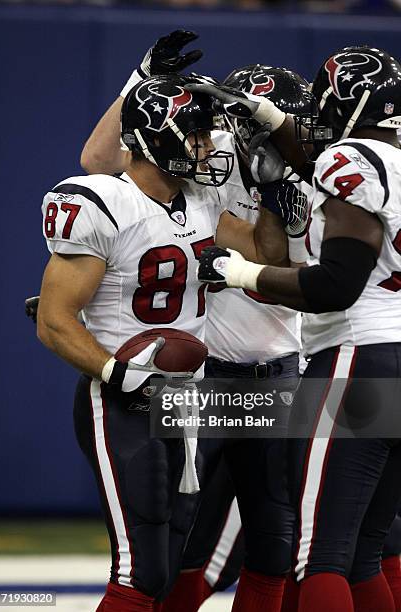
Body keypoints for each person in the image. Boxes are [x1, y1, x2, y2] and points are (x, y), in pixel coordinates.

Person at [37, 72, 285, 612]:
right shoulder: (102, 201)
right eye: (195, 136)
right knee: (141, 570)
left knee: (167, 568)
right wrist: (114, 370)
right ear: (159, 139)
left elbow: (267, 255)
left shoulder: (197, 203)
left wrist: (270, 192)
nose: (205, 148)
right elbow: (55, 321)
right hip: (123, 399)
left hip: (186, 399)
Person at [193, 45, 401, 612]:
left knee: (320, 557)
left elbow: (336, 285)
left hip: (360, 361)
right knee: (365, 553)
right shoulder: (391, 162)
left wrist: (243, 273)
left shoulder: (352, 160)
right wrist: (268, 116)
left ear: (348, 104)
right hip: (394, 359)